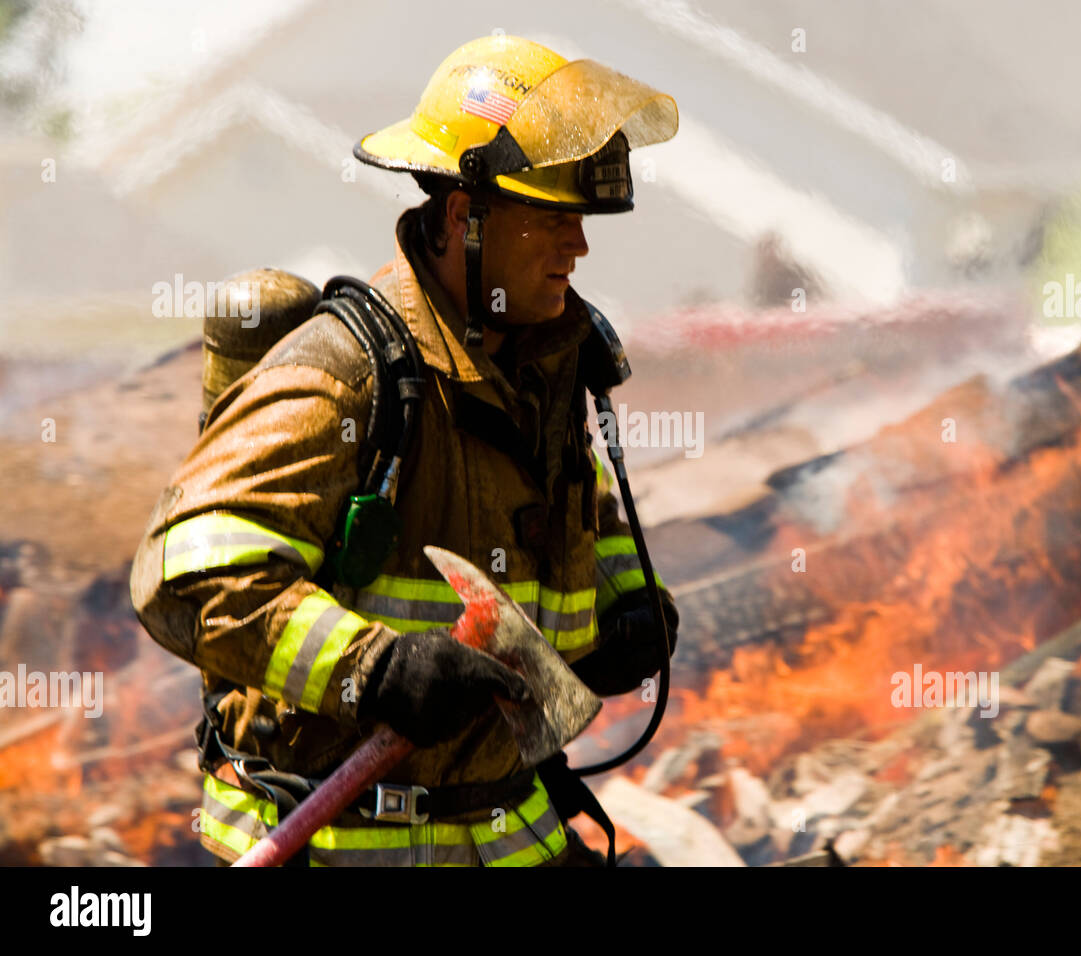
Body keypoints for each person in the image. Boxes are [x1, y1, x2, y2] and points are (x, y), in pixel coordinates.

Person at [129, 34, 680, 867]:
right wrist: (374, 669)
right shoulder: (347, 373)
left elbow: (585, 520)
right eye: (552, 218)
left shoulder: (540, 371)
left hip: (508, 834)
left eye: (583, 220)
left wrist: (629, 611)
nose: (579, 247)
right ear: (465, 216)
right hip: (349, 843)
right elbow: (191, 575)